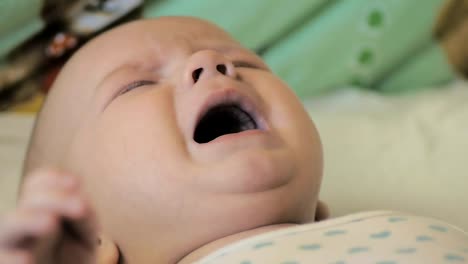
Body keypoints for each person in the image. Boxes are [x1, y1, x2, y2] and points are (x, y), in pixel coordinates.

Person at [0, 17, 466, 264]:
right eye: (136, 85)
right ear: (94, 240)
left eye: (247, 65)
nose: (210, 62)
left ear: (320, 208)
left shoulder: (390, 226)